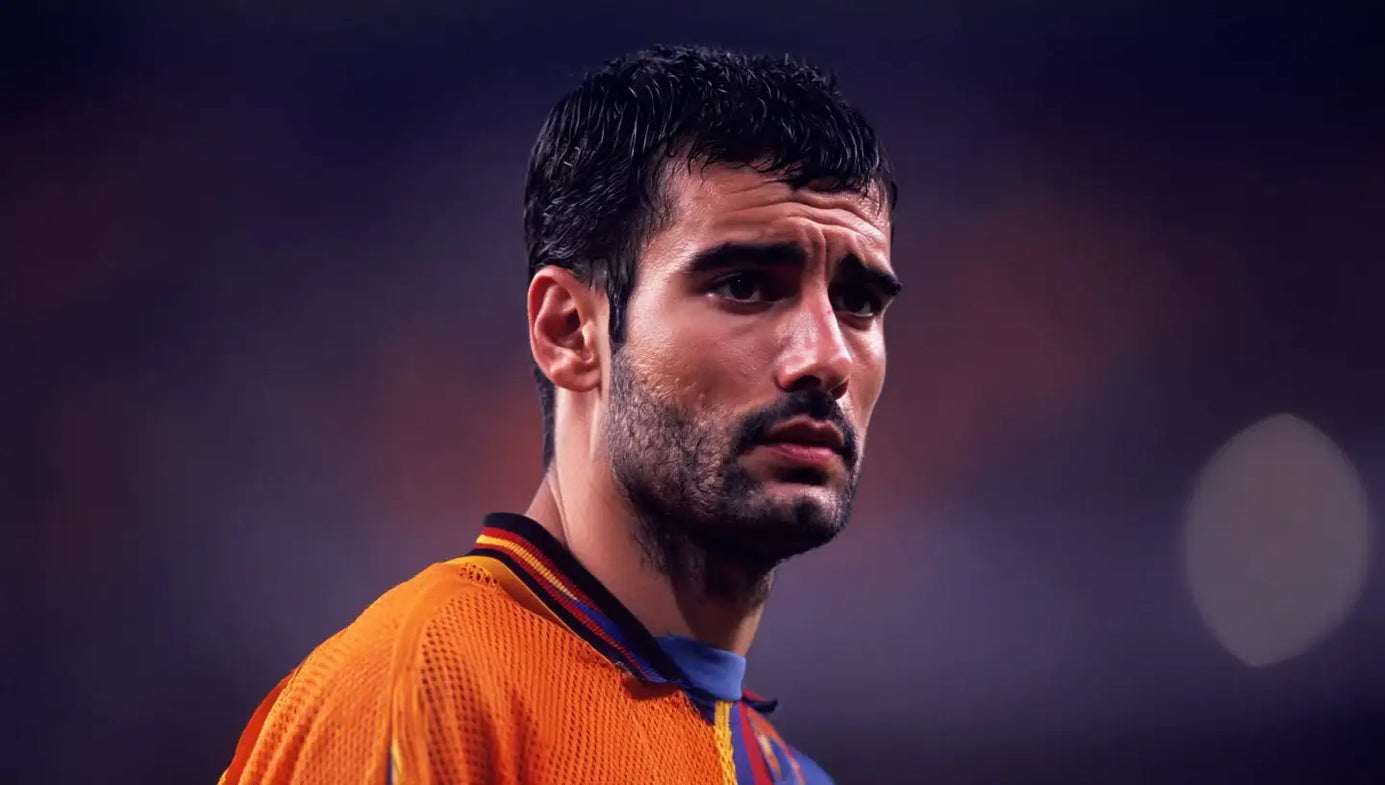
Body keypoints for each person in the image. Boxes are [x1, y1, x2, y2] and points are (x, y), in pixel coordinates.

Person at [220, 44, 901, 785]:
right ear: (570, 331)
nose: (826, 356)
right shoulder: (422, 684)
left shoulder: (789, 775)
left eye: (858, 301)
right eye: (744, 285)